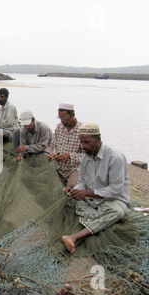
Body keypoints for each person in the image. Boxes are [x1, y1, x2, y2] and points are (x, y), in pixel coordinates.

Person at [61, 123, 130, 254]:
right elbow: (82, 182)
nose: (84, 146)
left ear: (98, 138)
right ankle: (97, 219)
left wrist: (87, 193)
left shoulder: (115, 158)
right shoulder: (85, 157)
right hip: (92, 200)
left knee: (117, 212)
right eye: (81, 142)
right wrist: (75, 190)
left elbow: (116, 190)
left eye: (87, 142)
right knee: (62, 195)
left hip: (113, 200)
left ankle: (74, 237)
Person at [47, 103, 83, 188]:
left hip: (74, 169)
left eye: (64, 117)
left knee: (72, 187)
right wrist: (52, 154)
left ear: (72, 115)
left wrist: (69, 156)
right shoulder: (59, 127)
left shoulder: (82, 130)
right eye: (60, 118)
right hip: (58, 167)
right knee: (47, 185)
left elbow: (87, 156)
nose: (62, 121)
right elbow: (53, 146)